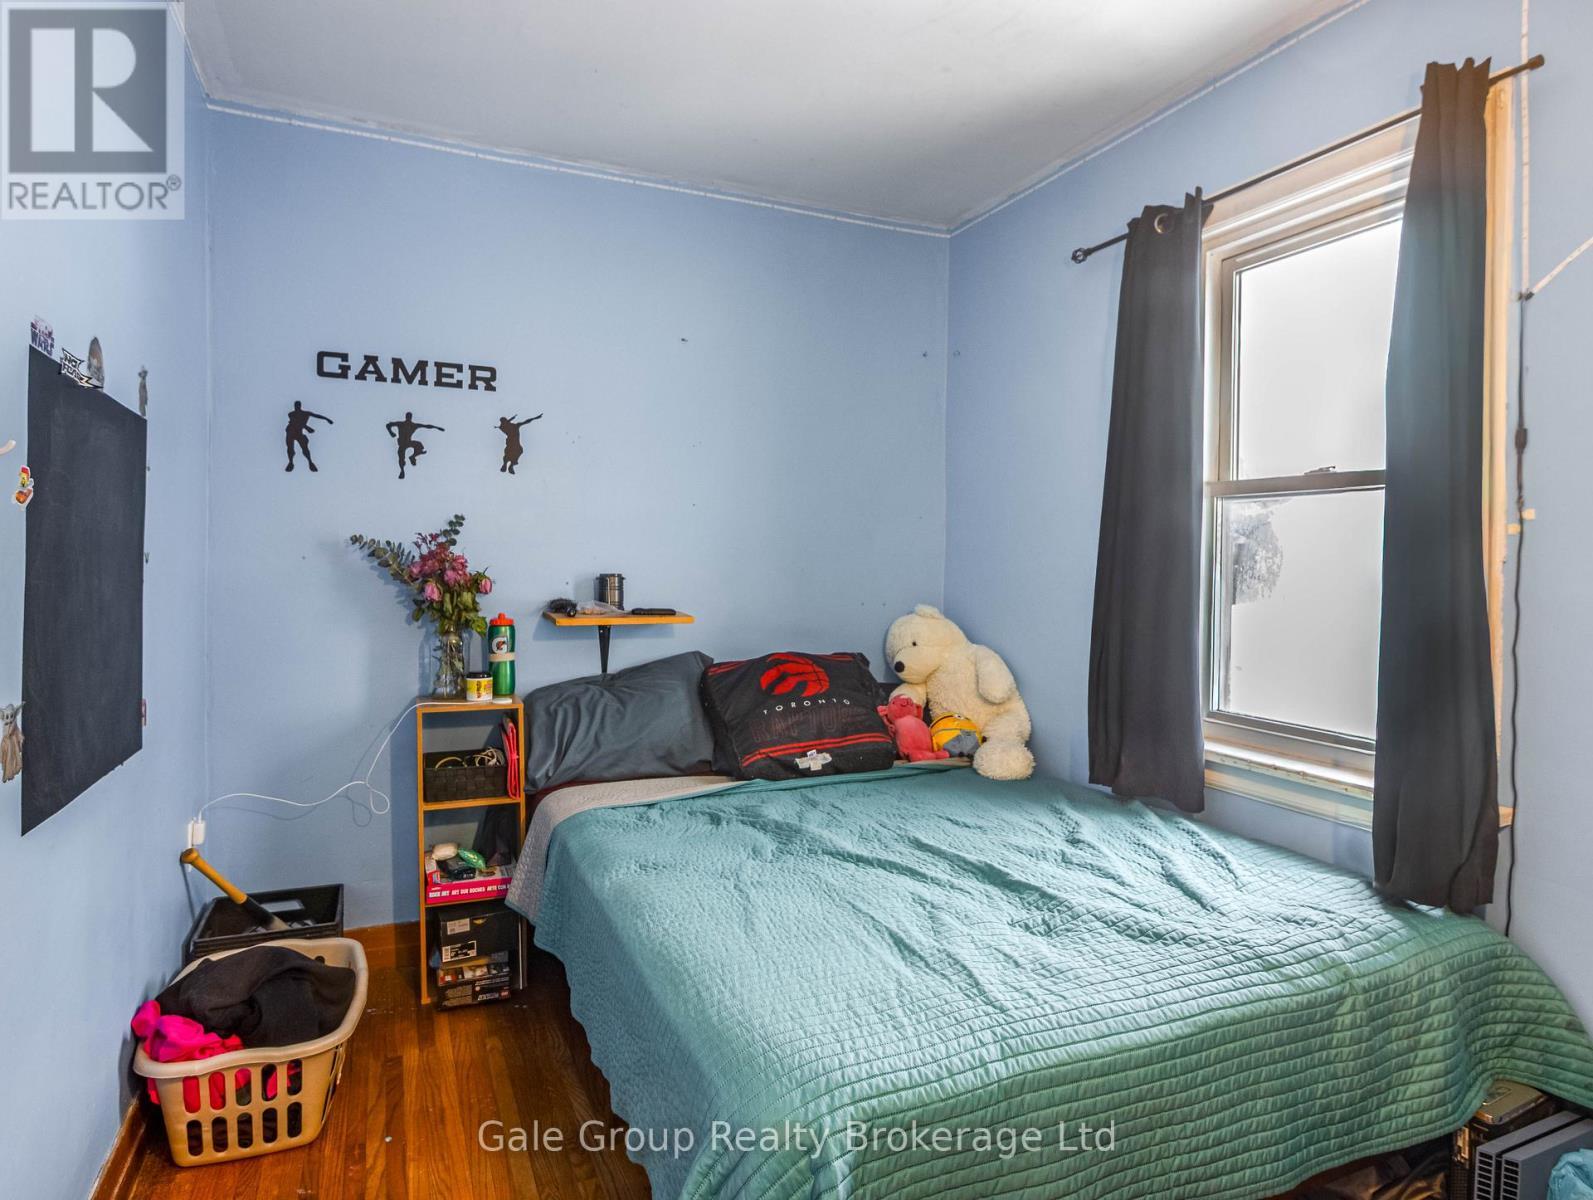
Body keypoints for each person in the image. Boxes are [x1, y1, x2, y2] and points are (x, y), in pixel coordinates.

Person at [386, 412, 444, 479]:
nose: (408, 418)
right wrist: (391, 432)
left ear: (410, 417)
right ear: (406, 417)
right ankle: (402, 470)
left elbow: (426, 426)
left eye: (409, 417)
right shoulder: (401, 424)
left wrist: (436, 427)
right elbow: (388, 425)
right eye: (408, 417)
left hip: (408, 442)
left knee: (419, 445)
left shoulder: (413, 425)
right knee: (401, 457)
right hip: (402, 444)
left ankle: (412, 457)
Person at [284, 401, 333, 472]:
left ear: (300, 406)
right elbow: (295, 422)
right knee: (290, 448)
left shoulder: (306, 413)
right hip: (291, 431)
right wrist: (307, 427)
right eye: (295, 406)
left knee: (305, 448)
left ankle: (310, 462)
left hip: (299, 433)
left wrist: (326, 419)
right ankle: (291, 462)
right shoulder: (291, 414)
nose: (296, 407)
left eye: (297, 406)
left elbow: (316, 415)